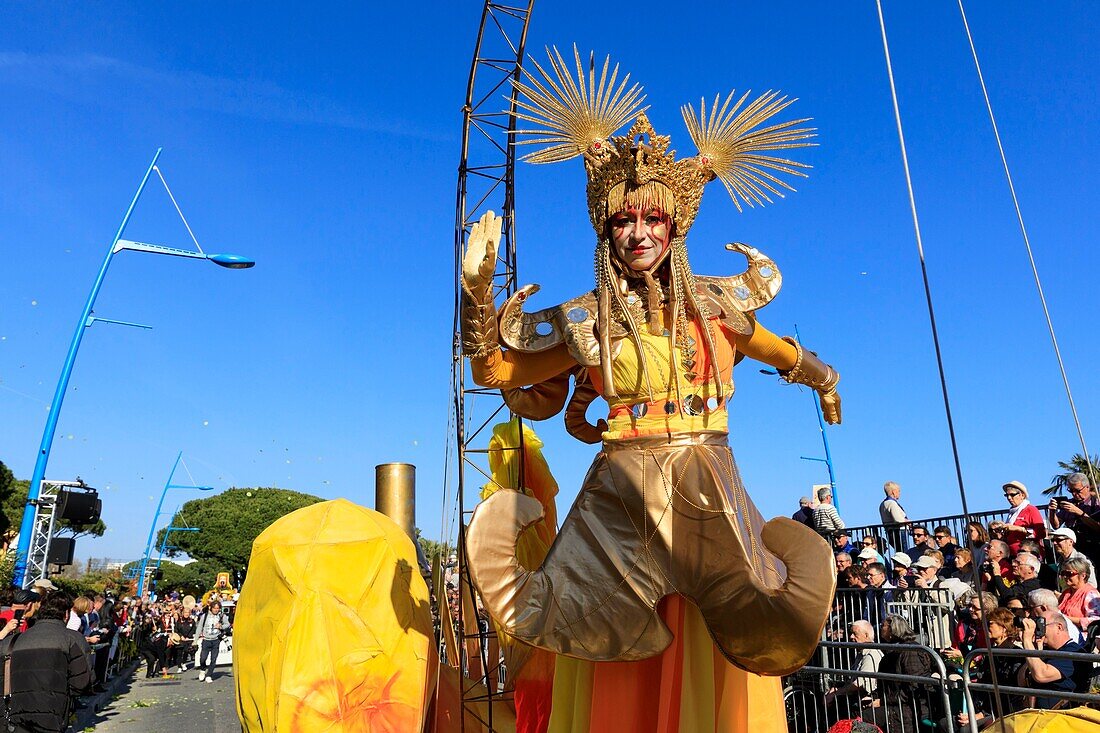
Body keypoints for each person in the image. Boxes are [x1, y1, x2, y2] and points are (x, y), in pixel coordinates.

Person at [462, 48, 839, 729]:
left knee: (730, 628)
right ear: (606, 229)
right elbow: (495, 372)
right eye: (623, 221)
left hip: (706, 491)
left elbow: (779, 348)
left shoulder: (717, 306)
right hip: (620, 504)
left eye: (652, 220)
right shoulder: (585, 318)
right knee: (607, 642)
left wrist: (824, 381)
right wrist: (476, 300)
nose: (638, 233)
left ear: (676, 225)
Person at [0, 592, 93, 733]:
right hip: (53, 712)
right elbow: (83, 682)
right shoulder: (72, 639)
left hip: (13, 714)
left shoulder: (12, 641)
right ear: (66, 614)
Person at [946, 607, 1023, 731]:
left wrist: (981, 714)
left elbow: (1009, 691)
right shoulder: (990, 653)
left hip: (1003, 711)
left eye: (990, 623)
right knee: (946, 724)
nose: (986, 627)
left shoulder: (1015, 654)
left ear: (1004, 627)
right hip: (985, 708)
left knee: (965, 730)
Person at [864, 615, 932, 733]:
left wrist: (882, 701)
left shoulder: (911, 651)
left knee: (863, 717)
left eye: (882, 626)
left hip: (908, 708)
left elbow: (913, 688)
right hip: (893, 704)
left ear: (892, 628)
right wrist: (873, 698)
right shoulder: (891, 653)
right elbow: (884, 686)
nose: (880, 628)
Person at [1018, 611, 1088, 709]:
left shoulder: (1074, 652)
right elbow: (1022, 682)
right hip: (1039, 716)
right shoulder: (1044, 651)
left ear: (1059, 627)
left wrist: (1027, 641)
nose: (1038, 630)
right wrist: (1035, 651)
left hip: (1062, 717)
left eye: (1041, 625)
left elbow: (1041, 675)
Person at [823, 620, 882, 721]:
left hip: (865, 701)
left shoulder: (871, 654)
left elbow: (859, 684)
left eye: (855, 634)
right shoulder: (861, 653)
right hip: (857, 699)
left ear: (866, 635)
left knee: (836, 702)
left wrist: (837, 693)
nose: (851, 637)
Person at [1047, 472, 1100, 566]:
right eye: (1071, 491)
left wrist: (1078, 512)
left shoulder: (1096, 503)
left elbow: (1097, 527)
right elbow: (1056, 525)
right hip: (1073, 548)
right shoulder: (1069, 503)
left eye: (1077, 490)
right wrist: (1052, 511)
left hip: (1092, 546)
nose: (1074, 494)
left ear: (1087, 487)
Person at [1056, 557, 1100, 634]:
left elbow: (1095, 620)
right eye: (1063, 573)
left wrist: (1066, 619)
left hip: (1081, 637)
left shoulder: (1090, 594)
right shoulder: (1066, 593)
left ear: (1083, 575)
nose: (1065, 577)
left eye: (1069, 574)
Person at [1001, 481, 1046, 553]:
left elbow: (1041, 533)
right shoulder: (1012, 512)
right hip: (1014, 554)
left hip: (1028, 554)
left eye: (1012, 495)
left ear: (1022, 495)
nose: (1009, 498)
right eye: (1007, 495)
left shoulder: (1031, 509)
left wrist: (1020, 529)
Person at [194, 600, 231, 682]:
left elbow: (227, 624)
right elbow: (199, 628)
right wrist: (195, 640)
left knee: (213, 659)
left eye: (218, 608)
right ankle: (202, 670)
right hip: (206, 640)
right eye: (215, 608)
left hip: (216, 640)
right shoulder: (205, 616)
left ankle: (209, 675)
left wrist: (221, 626)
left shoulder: (221, 615)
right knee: (203, 658)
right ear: (211, 608)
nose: (216, 610)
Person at [878, 481, 909, 551]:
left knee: (898, 551)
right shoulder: (892, 503)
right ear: (894, 492)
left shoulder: (882, 504)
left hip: (889, 532)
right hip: (899, 532)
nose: (899, 493)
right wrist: (907, 521)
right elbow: (898, 519)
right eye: (899, 491)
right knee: (904, 552)